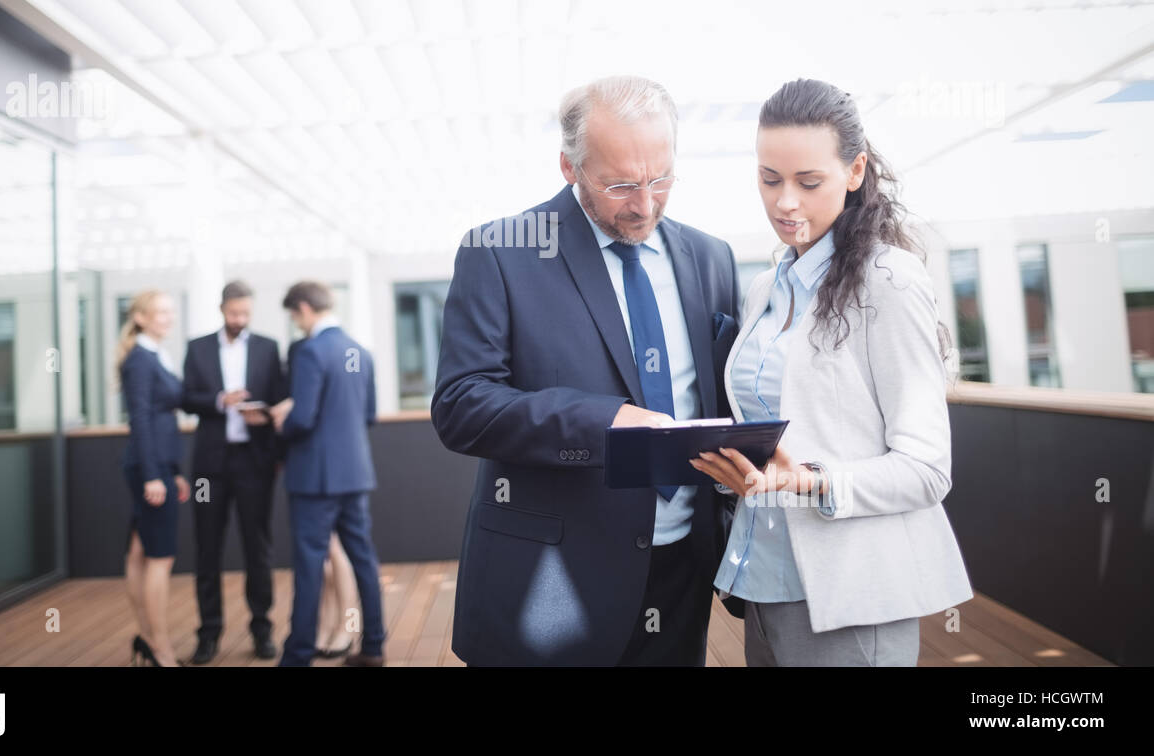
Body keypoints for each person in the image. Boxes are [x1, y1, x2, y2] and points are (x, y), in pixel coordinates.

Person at [431, 75, 746, 666]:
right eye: (621, 184)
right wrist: (606, 421)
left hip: (682, 571)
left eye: (661, 179)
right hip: (551, 580)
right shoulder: (500, 252)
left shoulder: (711, 258)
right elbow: (460, 405)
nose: (645, 204)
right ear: (569, 167)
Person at [689, 77, 974, 666]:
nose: (785, 202)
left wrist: (810, 479)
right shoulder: (765, 289)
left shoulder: (888, 281)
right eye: (769, 180)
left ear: (854, 170)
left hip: (851, 595)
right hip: (762, 583)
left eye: (808, 182)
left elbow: (926, 470)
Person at [269, 281, 386, 667]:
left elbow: (302, 419)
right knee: (364, 560)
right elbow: (368, 415)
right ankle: (372, 647)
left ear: (303, 308)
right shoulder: (361, 352)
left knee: (308, 568)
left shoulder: (311, 352)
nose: (295, 324)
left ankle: (298, 656)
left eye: (293, 316)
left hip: (314, 478)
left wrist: (279, 419)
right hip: (354, 473)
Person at [181, 280, 286, 664]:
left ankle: (262, 630)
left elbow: (279, 397)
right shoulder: (198, 348)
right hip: (209, 468)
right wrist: (218, 400)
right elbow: (186, 398)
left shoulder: (268, 348)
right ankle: (208, 634)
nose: (240, 319)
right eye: (234, 313)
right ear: (222, 308)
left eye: (246, 313)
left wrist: (261, 413)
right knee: (207, 546)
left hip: (253, 463)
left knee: (257, 546)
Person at [118, 290, 189, 667]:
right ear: (141, 318)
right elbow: (141, 419)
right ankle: (160, 647)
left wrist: (172, 472)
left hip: (159, 465)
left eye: (170, 311)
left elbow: (163, 417)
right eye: (160, 312)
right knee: (160, 557)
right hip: (149, 467)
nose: (167, 318)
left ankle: (147, 638)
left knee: (139, 552)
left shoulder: (156, 354)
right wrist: (153, 476)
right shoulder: (141, 360)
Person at [283, 336, 360, 660]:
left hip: (325, 471)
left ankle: (347, 628)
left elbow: (304, 416)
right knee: (326, 556)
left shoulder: (314, 352)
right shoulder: (316, 351)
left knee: (334, 549)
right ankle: (328, 627)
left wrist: (286, 416)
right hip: (316, 468)